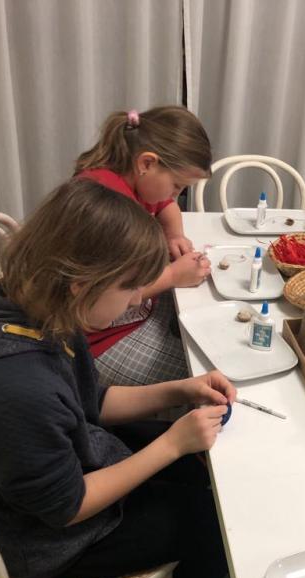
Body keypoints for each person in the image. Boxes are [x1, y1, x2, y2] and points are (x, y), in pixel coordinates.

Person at [0, 178, 231, 578]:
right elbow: (67, 508)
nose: (136, 300)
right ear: (81, 284)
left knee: (199, 468)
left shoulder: (36, 305)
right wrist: (171, 445)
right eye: (130, 287)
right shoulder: (13, 390)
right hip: (47, 541)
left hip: (65, 458)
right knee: (215, 526)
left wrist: (179, 390)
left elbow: (91, 401)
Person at [75, 105, 214, 386]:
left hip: (131, 310)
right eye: (177, 185)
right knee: (200, 373)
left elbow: (166, 205)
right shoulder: (107, 209)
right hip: (95, 341)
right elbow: (109, 296)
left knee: (207, 323)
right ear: (147, 163)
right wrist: (172, 275)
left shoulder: (134, 178)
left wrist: (174, 234)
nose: (176, 194)